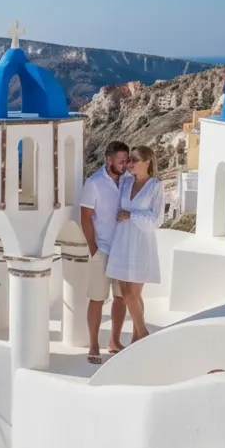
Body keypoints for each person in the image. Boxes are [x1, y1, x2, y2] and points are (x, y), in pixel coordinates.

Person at [79, 140, 132, 365]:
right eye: (120, 161)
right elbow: (85, 216)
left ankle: (114, 341)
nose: (124, 164)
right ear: (108, 159)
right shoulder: (94, 183)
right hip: (102, 248)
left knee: (121, 297)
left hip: (123, 250)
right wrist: (93, 248)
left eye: (126, 160)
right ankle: (93, 344)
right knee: (97, 299)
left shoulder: (129, 181)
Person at [106, 144, 164, 347]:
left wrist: (131, 215)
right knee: (127, 294)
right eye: (129, 159)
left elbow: (157, 219)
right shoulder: (125, 181)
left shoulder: (156, 186)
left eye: (135, 160)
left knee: (132, 295)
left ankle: (144, 335)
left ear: (147, 162)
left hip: (141, 243)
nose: (130, 163)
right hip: (122, 241)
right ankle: (135, 340)